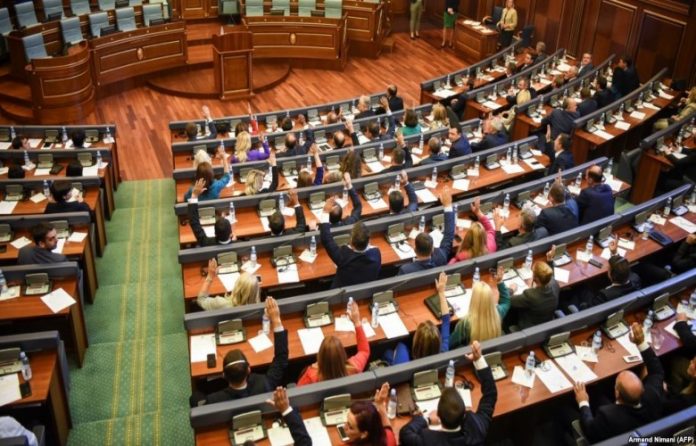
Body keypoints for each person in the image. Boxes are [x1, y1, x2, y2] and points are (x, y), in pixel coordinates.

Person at [572, 323, 664, 443]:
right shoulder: (653, 396)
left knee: (563, 412)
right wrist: (641, 342)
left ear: (616, 393)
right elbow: (657, 372)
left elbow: (589, 429)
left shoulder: (608, 416)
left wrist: (583, 401)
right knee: (596, 392)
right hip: (639, 429)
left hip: (616, 434)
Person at [399, 340, 497, 446]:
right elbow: (491, 394)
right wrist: (478, 359)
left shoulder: (428, 441)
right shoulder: (478, 429)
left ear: (438, 415)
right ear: (464, 414)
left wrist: (426, 419)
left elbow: (405, 434)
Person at [204, 297, 287, 403]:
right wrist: (276, 320)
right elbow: (281, 359)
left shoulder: (213, 400)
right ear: (248, 369)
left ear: (223, 375)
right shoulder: (265, 384)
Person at [297, 302, 370, 385]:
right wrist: (357, 322)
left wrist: (313, 367)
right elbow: (364, 351)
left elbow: (299, 390)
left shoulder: (311, 377)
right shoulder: (354, 368)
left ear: (320, 356)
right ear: (343, 354)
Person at [386, 273, 451, 365]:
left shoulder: (404, 363)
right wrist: (441, 292)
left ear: (416, 344)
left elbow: (446, 319)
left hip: (400, 359)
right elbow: (446, 320)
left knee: (391, 351)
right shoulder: (443, 352)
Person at [450, 267, 511, 348]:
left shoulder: (466, 323)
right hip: (491, 350)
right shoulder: (497, 312)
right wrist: (500, 282)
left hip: (474, 353)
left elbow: (450, 343)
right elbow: (506, 301)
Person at [398, 190, 454, 275]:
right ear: (432, 249)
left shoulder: (405, 270)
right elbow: (449, 236)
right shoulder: (441, 257)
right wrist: (448, 206)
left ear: (415, 250)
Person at [317, 220, 381, 288]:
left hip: (341, 292)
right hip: (365, 291)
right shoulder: (376, 254)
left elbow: (326, 240)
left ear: (351, 242)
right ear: (369, 241)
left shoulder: (343, 256)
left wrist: (325, 218)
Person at [585, 239, 638, 307]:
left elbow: (591, 307)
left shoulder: (604, 296)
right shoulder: (636, 279)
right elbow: (622, 268)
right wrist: (614, 253)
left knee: (584, 290)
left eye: (608, 269)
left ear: (610, 275)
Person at [507, 260, 559, 329]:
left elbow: (508, 300)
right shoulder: (554, 284)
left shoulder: (531, 295)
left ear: (535, 278)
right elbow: (551, 276)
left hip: (530, 328)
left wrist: (511, 290)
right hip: (547, 323)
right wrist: (550, 261)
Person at [449, 197, 496, 263]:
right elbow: (490, 229)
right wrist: (478, 212)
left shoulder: (460, 258)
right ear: (484, 236)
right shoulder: (491, 245)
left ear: (467, 238)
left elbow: (448, 268)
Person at [186, 179, 233, 246]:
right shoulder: (239, 246)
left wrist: (194, 195)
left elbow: (193, 220)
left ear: (215, 234)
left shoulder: (205, 242)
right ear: (231, 234)